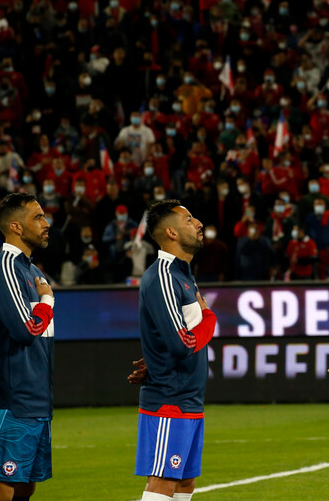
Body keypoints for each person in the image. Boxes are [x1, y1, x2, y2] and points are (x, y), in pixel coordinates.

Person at [134, 199, 217, 501]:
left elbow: (166, 335)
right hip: (170, 397)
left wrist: (154, 359)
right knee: (163, 483)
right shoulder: (165, 276)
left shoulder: (183, 275)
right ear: (170, 232)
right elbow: (181, 343)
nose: (198, 224)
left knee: (184, 483)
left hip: (188, 397)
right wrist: (210, 318)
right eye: (189, 219)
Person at [0, 192, 55, 501]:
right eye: (37, 217)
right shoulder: (6, 268)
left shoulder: (31, 271)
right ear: (16, 227)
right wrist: (47, 299)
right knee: (1, 488)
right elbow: (26, 330)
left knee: (25, 486)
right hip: (13, 400)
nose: (46, 223)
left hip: (36, 400)